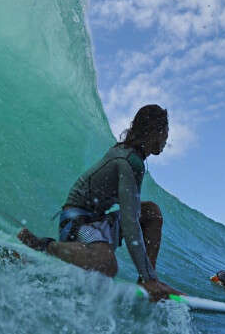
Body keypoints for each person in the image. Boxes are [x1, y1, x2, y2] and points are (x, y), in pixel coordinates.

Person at [17, 105, 182, 302]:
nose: (166, 140)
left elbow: (135, 214)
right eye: (166, 133)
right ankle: (45, 244)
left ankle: (146, 280)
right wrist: (148, 275)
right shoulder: (128, 160)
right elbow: (130, 223)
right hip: (77, 223)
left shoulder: (132, 156)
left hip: (97, 220)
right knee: (107, 265)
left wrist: (147, 274)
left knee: (151, 212)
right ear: (156, 131)